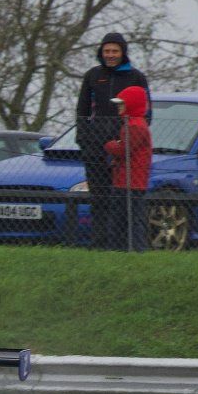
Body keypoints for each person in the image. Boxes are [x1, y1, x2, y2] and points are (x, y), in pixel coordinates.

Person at [76, 32, 151, 250]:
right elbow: (81, 111)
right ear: (101, 52)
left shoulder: (136, 77)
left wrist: (127, 141)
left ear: (123, 53)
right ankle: (99, 246)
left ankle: (124, 246)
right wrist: (84, 140)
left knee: (122, 202)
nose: (110, 55)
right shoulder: (92, 76)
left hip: (123, 152)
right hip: (96, 149)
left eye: (115, 51)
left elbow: (146, 114)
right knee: (98, 199)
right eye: (107, 51)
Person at [104, 86, 153, 253]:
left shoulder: (135, 126)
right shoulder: (132, 124)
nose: (119, 106)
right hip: (127, 179)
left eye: (122, 103)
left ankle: (133, 248)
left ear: (132, 104)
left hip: (131, 181)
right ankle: (126, 248)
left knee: (127, 217)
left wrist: (109, 144)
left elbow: (123, 150)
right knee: (124, 216)